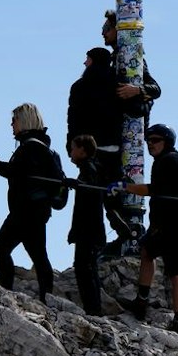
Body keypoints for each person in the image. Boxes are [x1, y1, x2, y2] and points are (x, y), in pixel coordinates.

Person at [0, 103, 61, 301]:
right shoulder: (38, 146)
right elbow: (18, 170)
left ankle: (6, 293)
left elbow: (15, 172)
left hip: (25, 211)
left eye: (14, 120)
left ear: (24, 121)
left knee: (1, 248)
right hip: (37, 210)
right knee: (39, 256)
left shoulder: (30, 147)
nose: (11, 124)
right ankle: (47, 298)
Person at [92, 11, 162, 253]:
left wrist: (136, 90)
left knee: (113, 184)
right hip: (114, 133)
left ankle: (130, 233)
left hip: (129, 136)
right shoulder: (112, 60)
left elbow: (156, 88)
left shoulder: (133, 57)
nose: (103, 33)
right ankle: (123, 232)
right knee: (106, 186)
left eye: (107, 28)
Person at [119, 123, 178, 335]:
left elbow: (154, 190)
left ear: (167, 142)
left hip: (169, 226)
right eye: (148, 141)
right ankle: (177, 319)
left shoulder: (167, 162)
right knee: (158, 259)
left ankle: (143, 303)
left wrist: (125, 187)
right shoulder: (176, 161)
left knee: (172, 269)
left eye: (155, 140)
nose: (150, 144)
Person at [65, 133, 107, 316]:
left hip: (89, 230)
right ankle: (93, 309)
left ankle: (93, 310)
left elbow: (89, 192)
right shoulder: (90, 169)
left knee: (85, 269)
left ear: (82, 150)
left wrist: (76, 184)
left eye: (73, 148)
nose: (71, 153)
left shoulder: (90, 170)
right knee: (86, 268)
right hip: (89, 230)